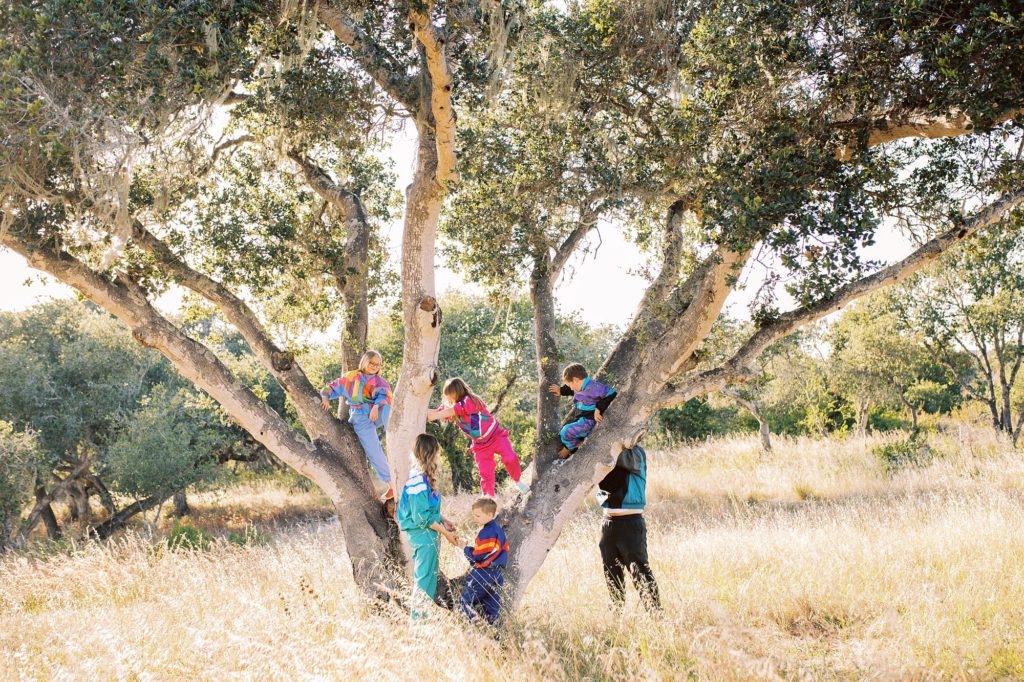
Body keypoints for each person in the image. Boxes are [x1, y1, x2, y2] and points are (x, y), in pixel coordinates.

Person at [426, 377, 529, 496]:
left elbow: (450, 411)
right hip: (480, 445)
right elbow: (437, 412)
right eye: (447, 395)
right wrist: (422, 411)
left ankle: (517, 480)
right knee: (485, 474)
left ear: (458, 391)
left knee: (510, 457)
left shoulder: (470, 400)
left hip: (496, 436)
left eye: (450, 394)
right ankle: (489, 500)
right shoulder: (450, 406)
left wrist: (434, 416)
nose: (448, 398)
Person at [396, 433, 459, 618]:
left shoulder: (423, 478)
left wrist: (443, 520)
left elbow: (428, 510)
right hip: (423, 535)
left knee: (429, 579)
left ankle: (424, 619)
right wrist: (446, 534)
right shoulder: (417, 480)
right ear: (432, 454)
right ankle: (417, 623)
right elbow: (420, 518)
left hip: (429, 534)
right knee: (423, 580)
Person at [320, 350, 394, 499]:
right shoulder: (351, 377)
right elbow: (332, 386)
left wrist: (375, 406)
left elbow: (386, 395)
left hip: (376, 414)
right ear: (365, 361)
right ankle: (392, 483)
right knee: (374, 450)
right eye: (372, 362)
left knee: (388, 407)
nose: (374, 366)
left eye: (378, 364)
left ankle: (394, 436)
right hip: (360, 418)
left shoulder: (380, 382)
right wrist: (325, 397)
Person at [596, 444, 660, 611]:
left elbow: (615, 458)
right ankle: (618, 619)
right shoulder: (605, 453)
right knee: (611, 574)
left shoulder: (635, 453)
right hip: (607, 523)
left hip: (630, 523)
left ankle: (657, 617)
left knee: (641, 573)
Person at [457, 496, 509, 625]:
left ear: (490, 514)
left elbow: (477, 556)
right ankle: (494, 635)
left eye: (478, 516)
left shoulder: (486, 532)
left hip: (483, 574)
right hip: (497, 575)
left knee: (464, 602)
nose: (475, 518)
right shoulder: (498, 531)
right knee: (492, 610)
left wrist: (464, 548)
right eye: (474, 515)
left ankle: (471, 630)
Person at [547, 363, 617, 458]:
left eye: (570, 384)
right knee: (566, 428)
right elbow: (570, 389)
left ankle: (570, 448)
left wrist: (598, 408)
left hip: (590, 420)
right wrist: (561, 390)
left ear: (575, 380)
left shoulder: (594, 387)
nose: (570, 387)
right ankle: (577, 442)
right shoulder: (579, 385)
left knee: (565, 431)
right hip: (582, 416)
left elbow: (611, 394)